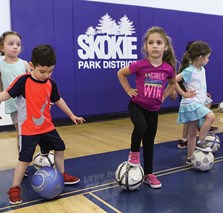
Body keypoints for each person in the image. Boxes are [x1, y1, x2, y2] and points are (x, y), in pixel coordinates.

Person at [2, 44, 85, 205]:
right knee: (24, 160)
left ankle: (61, 175)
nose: (46, 75)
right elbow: (5, 94)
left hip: (47, 127)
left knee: (60, 147)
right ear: (32, 65)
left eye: (50, 71)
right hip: (28, 130)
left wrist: (71, 115)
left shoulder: (50, 83)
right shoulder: (23, 81)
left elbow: (58, 100)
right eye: (42, 71)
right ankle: (14, 188)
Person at [117, 26, 176, 189]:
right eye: (151, 43)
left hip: (153, 110)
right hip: (136, 105)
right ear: (146, 47)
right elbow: (121, 73)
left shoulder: (168, 68)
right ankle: (134, 155)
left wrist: (164, 95)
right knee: (141, 127)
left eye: (158, 42)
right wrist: (128, 90)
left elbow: (173, 83)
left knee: (149, 141)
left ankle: (149, 174)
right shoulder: (140, 65)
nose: (155, 46)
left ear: (165, 46)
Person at [0, 31, 50, 176]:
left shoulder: (24, 64)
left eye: (18, 44)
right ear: (2, 48)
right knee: (22, 135)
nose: (15, 47)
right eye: (11, 44)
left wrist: (45, 100)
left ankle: (44, 156)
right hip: (14, 107)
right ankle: (23, 164)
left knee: (41, 132)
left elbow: (36, 83)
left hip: (31, 106)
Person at [170, 41, 219, 149]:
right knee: (210, 116)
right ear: (200, 58)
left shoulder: (202, 70)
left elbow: (198, 83)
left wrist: (203, 92)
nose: (208, 60)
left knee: (192, 134)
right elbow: (173, 80)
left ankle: (190, 156)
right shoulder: (189, 70)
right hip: (191, 103)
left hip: (198, 101)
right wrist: (182, 93)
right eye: (207, 57)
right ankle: (201, 141)